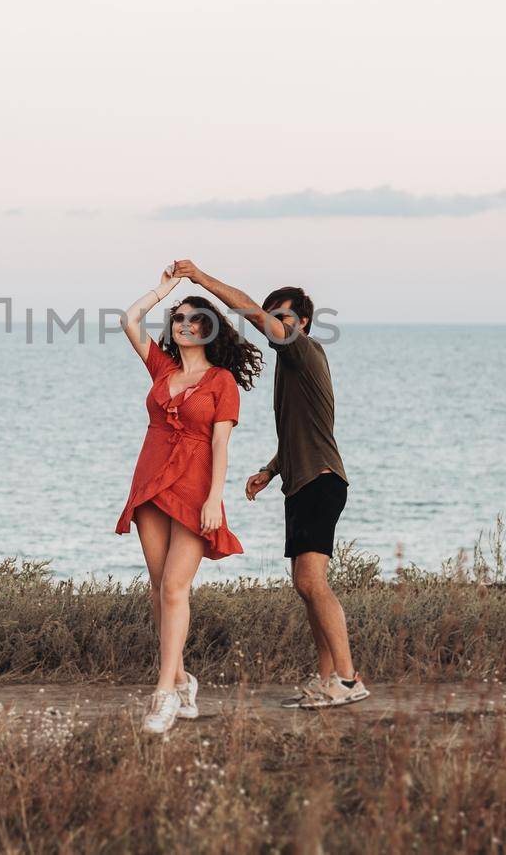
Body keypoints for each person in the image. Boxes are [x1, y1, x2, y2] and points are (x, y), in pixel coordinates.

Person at [170, 260, 368, 709]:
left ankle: (349, 680)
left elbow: (250, 313)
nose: (276, 324)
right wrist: (271, 469)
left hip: (320, 482)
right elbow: (309, 430)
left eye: (283, 318)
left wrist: (201, 278)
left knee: (312, 582)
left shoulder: (304, 350)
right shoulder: (292, 366)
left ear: (301, 324)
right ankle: (327, 679)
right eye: (272, 316)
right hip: (301, 483)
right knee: (305, 585)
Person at [117, 266, 262, 733]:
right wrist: (168, 288)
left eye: (193, 320)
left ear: (209, 329)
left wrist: (215, 498)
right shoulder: (163, 366)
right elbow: (129, 319)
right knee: (159, 589)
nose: (183, 325)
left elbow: (221, 444)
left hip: (197, 486)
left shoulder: (222, 382)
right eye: (177, 319)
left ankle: (163, 695)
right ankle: (182, 679)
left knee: (175, 588)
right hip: (152, 480)